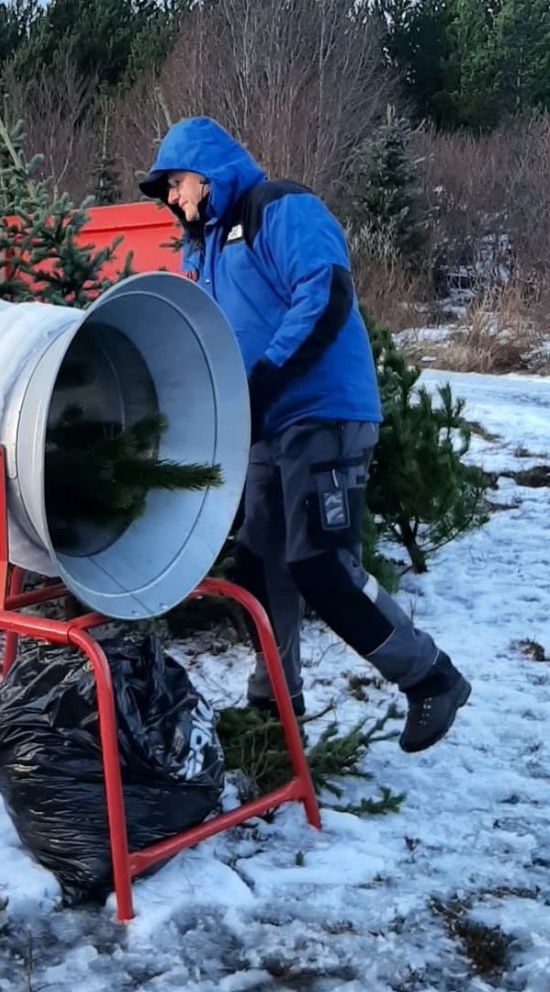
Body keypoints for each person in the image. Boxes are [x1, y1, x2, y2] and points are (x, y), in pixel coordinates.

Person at [140, 117, 471, 753]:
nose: (171, 199)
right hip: (267, 426)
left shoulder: (278, 207)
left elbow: (324, 293)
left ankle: (431, 676)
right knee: (260, 568)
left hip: (323, 412)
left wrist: (263, 379)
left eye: (175, 184)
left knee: (321, 563)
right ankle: (275, 707)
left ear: (205, 175)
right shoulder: (202, 249)